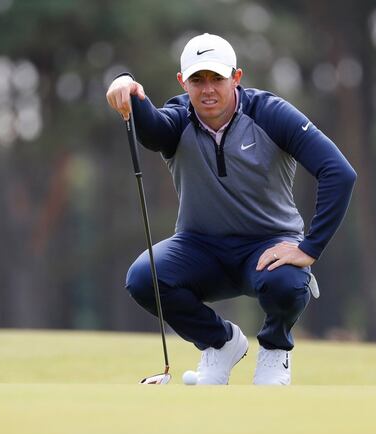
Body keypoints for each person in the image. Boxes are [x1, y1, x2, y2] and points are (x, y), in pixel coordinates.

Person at [106, 33, 356, 385]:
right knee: (143, 278)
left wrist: (309, 248)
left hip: (267, 245)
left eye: (217, 79)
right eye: (197, 79)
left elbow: (339, 172)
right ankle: (220, 343)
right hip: (201, 248)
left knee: (287, 283)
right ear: (183, 82)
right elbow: (153, 132)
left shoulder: (270, 113)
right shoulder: (179, 118)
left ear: (236, 78)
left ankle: (274, 350)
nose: (207, 89)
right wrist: (127, 86)